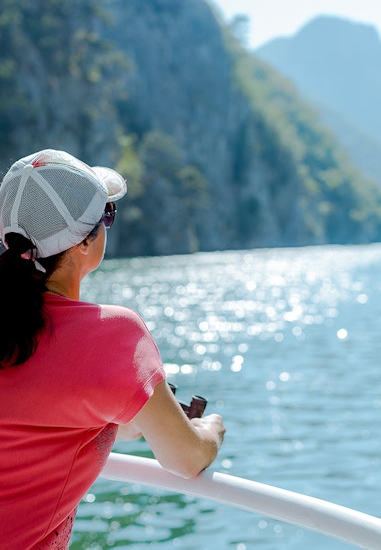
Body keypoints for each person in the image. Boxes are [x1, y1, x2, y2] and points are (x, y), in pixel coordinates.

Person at [0, 148, 225, 549]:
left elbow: (28, 422)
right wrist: (209, 433)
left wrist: (130, 425)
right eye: (106, 215)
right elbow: (187, 459)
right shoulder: (113, 335)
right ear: (84, 243)